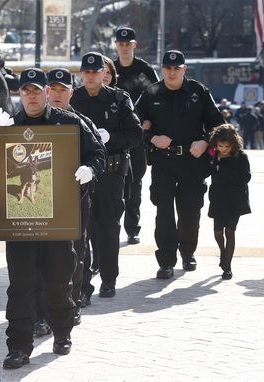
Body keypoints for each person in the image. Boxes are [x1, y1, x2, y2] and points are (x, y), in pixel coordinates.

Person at [0, 68, 105, 368]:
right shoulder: (7, 126)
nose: (31, 96)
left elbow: (98, 154)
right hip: (19, 225)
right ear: (20, 94)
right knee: (20, 285)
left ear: (46, 93)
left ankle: (62, 333)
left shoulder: (69, 122)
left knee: (58, 281)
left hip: (60, 220)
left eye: (36, 91)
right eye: (25, 91)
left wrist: (89, 170)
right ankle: (18, 346)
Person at [136, 50, 224, 279]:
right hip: (163, 162)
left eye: (177, 68)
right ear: (162, 69)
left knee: (190, 211)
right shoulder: (151, 93)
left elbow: (218, 123)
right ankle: (166, 260)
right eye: (168, 68)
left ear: (184, 69)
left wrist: (205, 142)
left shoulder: (199, 91)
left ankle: (187, 252)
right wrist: (152, 138)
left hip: (193, 161)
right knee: (163, 211)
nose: (172, 73)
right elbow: (133, 124)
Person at [32, 68, 105, 334]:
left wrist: (89, 169)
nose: (58, 94)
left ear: (71, 93)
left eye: (64, 90)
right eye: (53, 89)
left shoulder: (79, 122)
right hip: (37, 200)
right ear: (45, 92)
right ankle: (40, 314)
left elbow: (98, 154)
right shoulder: (27, 120)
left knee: (73, 255)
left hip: (73, 200)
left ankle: (70, 305)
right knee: (38, 257)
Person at [71, 52, 142, 298]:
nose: (91, 76)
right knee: (82, 229)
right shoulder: (74, 99)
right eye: (86, 72)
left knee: (108, 227)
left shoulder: (119, 99)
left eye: (95, 72)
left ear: (104, 73)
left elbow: (135, 135)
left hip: (111, 173)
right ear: (81, 74)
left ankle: (109, 279)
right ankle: (84, 283)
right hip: (82, 173)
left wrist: (112, 137)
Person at [113, 27, 159, 246]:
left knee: (134, 183)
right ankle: (112, 225)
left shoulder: (145, 69)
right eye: (120, 44)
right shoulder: (109, 69)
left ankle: (132, 228)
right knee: (113, 183)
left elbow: (157, 96)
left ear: (134, 45)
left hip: (137, 135)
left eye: (127, 44)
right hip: (113, 134)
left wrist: (150, 121)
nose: (124, 48)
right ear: (116, 46)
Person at [207, 124, 251, 280]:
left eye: (227, 146)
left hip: (235, 199)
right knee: (217, 232)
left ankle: (227, 266)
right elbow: (206, 171)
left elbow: (245, 178)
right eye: (220, 146)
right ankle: (223, 253)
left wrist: (222, 170)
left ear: (233, 144)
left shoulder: (241, 156)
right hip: (218, 198)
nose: (223, 149)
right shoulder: (212, 156)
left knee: (230, 231)